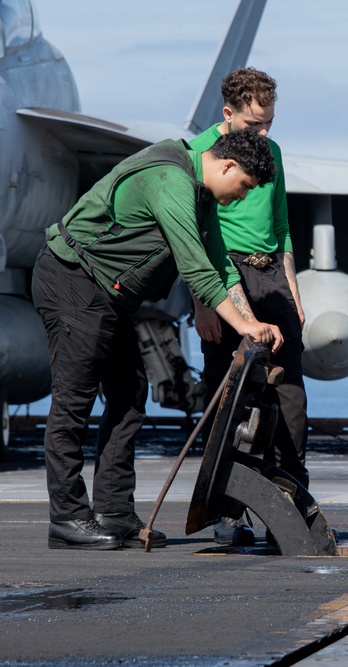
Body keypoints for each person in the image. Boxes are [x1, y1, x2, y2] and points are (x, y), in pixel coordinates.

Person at [32, 128, 283, 550]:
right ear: (227, 165)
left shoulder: (200, 195)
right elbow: (196, 269)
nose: (241, 197)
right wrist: (242, 326)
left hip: (108, 295)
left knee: (130, 393)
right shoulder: (171, 182)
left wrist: (252, 321)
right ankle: (68, 518)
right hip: (73, 279)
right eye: (243, 187)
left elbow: (220, 264)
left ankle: (113, 512)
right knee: (73, 402)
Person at [189, 68, 309, 547]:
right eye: (254, 125)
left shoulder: (272, 152)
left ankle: (293, 507)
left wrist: (293, 292)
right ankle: (228, 514)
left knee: (290, 395)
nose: (263, 135)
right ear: (228, 114)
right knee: (229, 399)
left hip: (270, 276)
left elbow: (281, 226)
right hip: (222, 275)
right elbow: (192, 238)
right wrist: (202, 303)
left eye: (270, 124)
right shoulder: (201, 152)